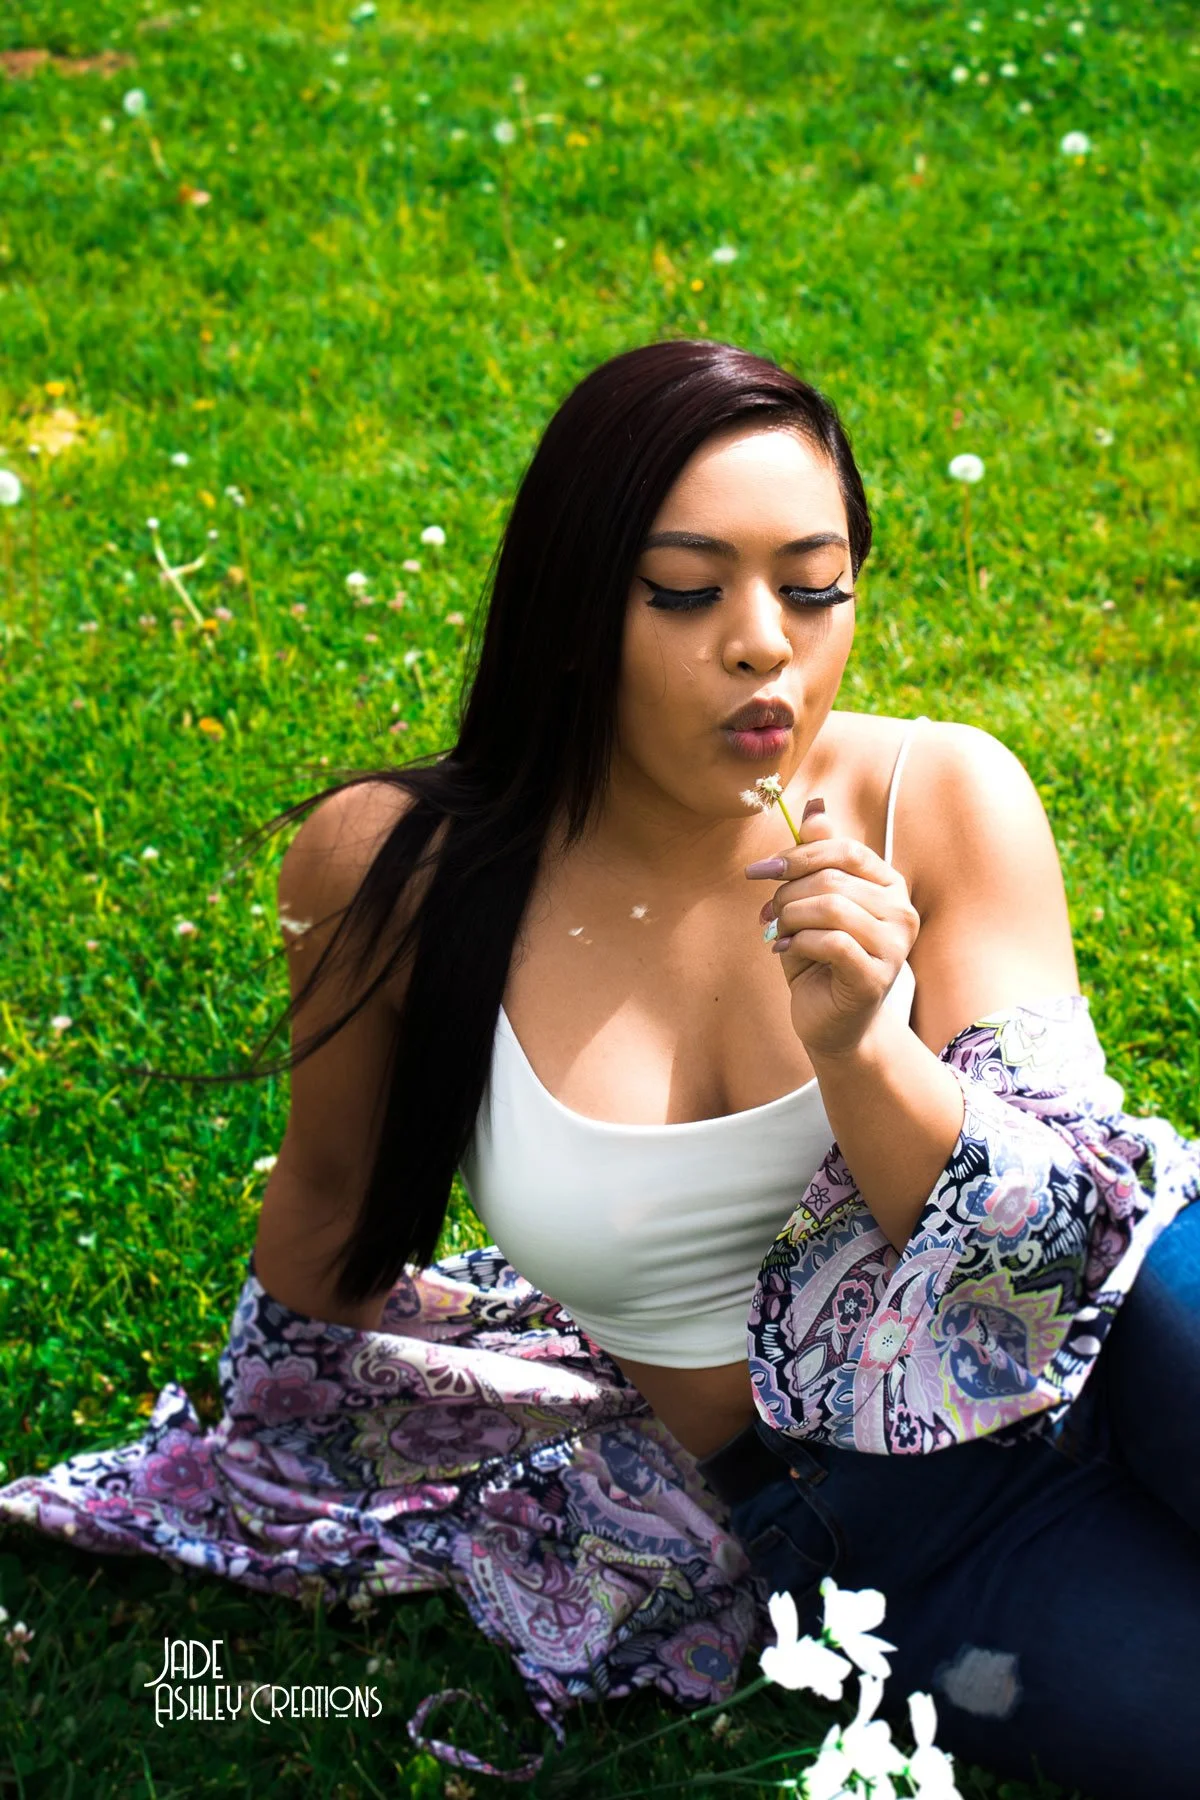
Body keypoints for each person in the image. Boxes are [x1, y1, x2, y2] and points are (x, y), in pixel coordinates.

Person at [3, 340, 1198, 1798]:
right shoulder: (398, 875)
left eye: (815, 587)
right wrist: (261, 1449)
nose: (763, 645)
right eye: (685, 591)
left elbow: (1058, 1257)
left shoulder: (937, 796)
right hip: (884, 1518)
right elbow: (329, 1196)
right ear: (572, 608)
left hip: (1140, 1321)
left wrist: (863, 1049)